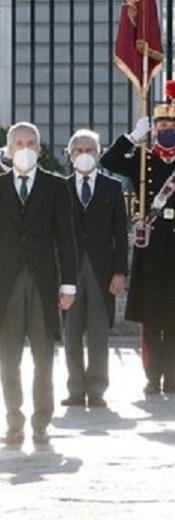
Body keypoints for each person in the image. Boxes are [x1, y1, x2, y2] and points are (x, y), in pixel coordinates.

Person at [101, 80, 175, 396]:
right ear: (154, 128)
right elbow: (108, 163)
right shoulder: (142, 158)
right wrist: (132, 138)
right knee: (150, 317)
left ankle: (172, 377)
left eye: (172, 125)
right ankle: (152, 377)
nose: (167, 130)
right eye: (161, 125)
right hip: (150, 243)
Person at [0, 123, 76, 446]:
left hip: (44, 283)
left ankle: (41, 421)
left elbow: (66, 238)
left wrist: (69, 284)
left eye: (31, 143)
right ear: (9, 150)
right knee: (9, 356)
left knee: (44, 356)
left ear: (40, 149)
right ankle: (14, 420)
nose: (25, 148)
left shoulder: (56, 186)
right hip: (7, 283)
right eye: (19, 143)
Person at [62, 129, 129, 410]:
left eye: (90, 150)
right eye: (78, 150)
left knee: (99, 331)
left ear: (98, 154)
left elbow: (120, 234)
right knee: (72, 331)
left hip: (102, 270)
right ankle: (76, 389)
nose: (84, 155)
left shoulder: (112, 188)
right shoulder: (60, 187)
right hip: (70, 270)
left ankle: (98, 389)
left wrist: (120, 272)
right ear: (69, 155)